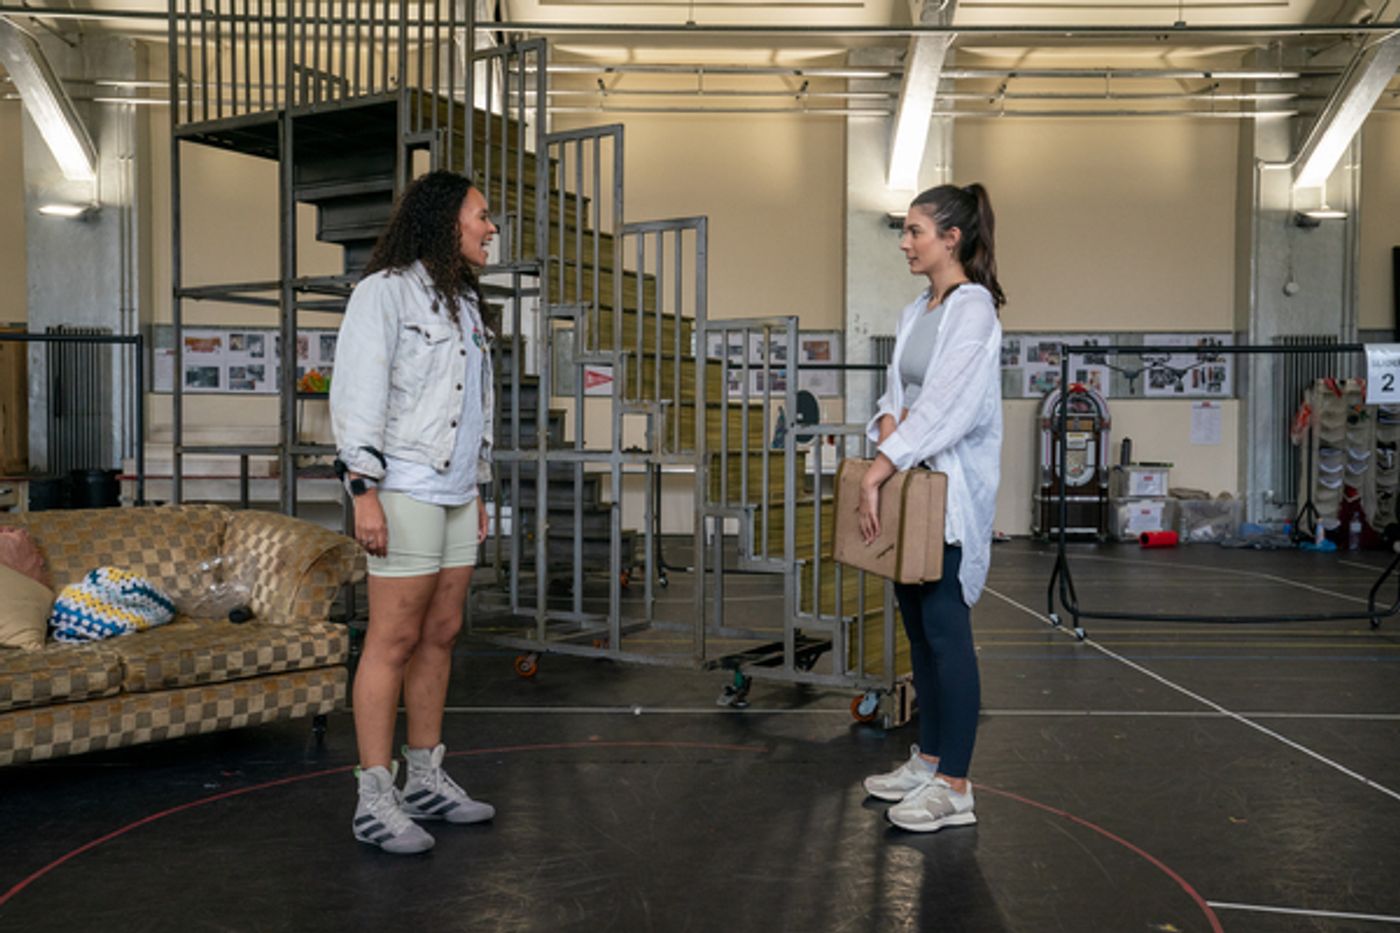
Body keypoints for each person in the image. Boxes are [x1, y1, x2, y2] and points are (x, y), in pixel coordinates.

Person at [329, 170, 499, 854]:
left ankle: (426, 779)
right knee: (393, 640)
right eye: (481, 215)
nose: (490, 228)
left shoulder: (464, 303)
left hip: (455, 489)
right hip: (402, 485)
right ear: (445, 220)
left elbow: (473, 406)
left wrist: (476, 485)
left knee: (442, 633)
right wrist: (362, 489)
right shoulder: (384, 293)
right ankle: (375, 798)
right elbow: (358, 391)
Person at [857, 183, 1005, 833]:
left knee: (947, 635)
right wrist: (891, 431)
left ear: (952, 238)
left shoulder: (974, 312)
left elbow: (947, 407)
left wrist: (881, 466)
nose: (905, 243)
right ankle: (931, 759)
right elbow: (896, 394)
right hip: (911, 488)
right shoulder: (917, 309)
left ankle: (955, 785)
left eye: (916, 231)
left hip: (946, 495)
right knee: (918, 633)